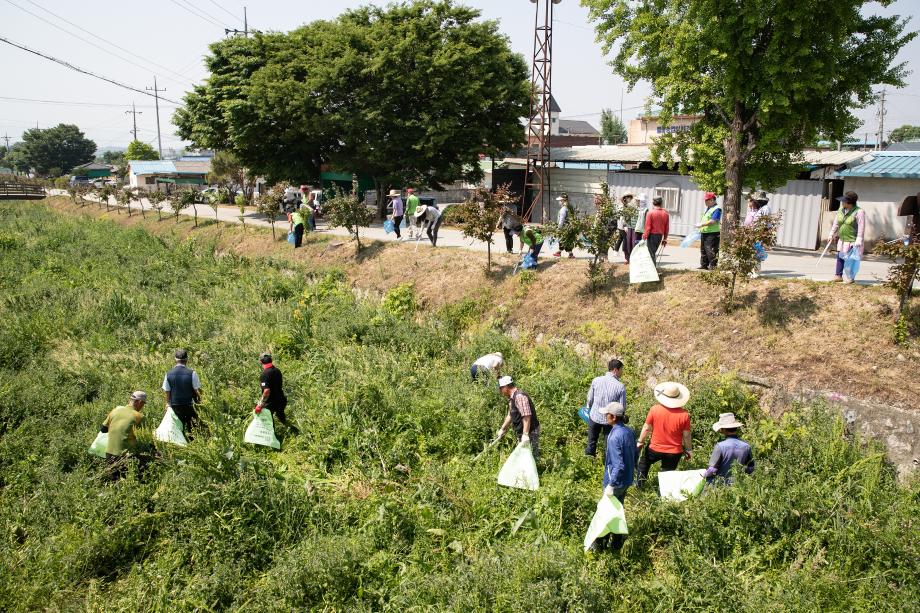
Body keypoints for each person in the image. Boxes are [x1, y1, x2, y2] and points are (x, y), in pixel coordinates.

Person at [594, 401, 637, 552]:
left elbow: (618, 465)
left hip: (616, 482)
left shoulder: (613, 437)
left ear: (612, 417)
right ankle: (617, 543)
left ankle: (600, 545)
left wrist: (611, 485)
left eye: (607, 414)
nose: (605, 416)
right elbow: (634, 454)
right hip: (626, 479)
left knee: (605, 513)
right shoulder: (629, 432)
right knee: (618, 510)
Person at [636, 381, 692, 488]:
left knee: (644, 463)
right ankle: (664, 495)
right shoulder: (684, 415)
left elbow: (646, 428)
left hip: (655, 448)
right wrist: (689, 450)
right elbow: (686, 435)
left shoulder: (654, 409)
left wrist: (640, 442)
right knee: (667, 474)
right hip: (674, 452)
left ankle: (640, 486)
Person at [585, 358, 627, 458]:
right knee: (609, 445)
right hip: (610, 420)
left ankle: (588, 460)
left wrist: (589, 409)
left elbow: (589, 399)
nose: (622, 372)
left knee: (591, 442)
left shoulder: (596, 380)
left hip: (594, 416)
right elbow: (622, 407)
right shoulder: (620, 387)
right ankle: (607, 464)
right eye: (621, 370)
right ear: (615, 370)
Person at [101, 391, 146, 481]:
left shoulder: (115, 410)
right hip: (126, 454)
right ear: (139, 402)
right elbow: (145, 437)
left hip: (109, 453)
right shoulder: (139, 416)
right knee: (129, 480)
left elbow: (103, 430)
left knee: (113, 481)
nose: (142, 406)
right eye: (143, 404)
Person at [495, 376, 541, 460]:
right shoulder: (511, 398)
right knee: (524, 457)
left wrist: (525, 434)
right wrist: (503, 429)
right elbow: (510, 414)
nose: (500, 391)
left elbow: (526, 416)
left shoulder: (519, 396)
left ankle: (538, 471)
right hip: (522, 433)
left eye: (501, 388)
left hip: (530, 432)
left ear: (506, 387)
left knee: (532, 457)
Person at [704, 412, 754, 485]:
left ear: (723, 429)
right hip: (737, 484)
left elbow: (712, 469)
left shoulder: (720, 446)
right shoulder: (746, 446)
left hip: (719, 485)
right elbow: (751, 468)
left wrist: (703, 475)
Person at [828, 191, 865, 283]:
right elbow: (836, 223)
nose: (842, 202)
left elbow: (861, 226)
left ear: (850, 203)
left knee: (850, 259)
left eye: (844, 201)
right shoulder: (841, 210)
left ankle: (850, 278)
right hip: (843, 238)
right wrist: (831, 233)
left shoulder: (859, 212)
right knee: (840, 256)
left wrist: (859, 239)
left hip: (853, 240)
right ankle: (838, 275)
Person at [162, 349, 202, 435]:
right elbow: (197, 390)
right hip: (190, 405)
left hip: (175, 405)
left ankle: (180, 443)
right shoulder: (192, 373)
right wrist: (200, 401)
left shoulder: (168, 374)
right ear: (187, 359)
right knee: (192, 426)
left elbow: (167, 391)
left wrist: (167, 403)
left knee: (178, 427)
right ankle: (192, 443)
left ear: (175, 359)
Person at [256, 352, 298, 434]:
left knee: (268, 422)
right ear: (271, 360)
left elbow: (267, 391)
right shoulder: (277, 370)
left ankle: (272, 440)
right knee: (282, 418)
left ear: (260, 362)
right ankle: (295, 432)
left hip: (271, 403)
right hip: (281, 399)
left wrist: (260, 405)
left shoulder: (265, 374)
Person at [696, 192, 722, 270]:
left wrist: (701, 225)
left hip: (713, 233)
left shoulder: (717, 209)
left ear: (712, 200)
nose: (705, 202)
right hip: (705, 232)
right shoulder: (709, 208)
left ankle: (713, 266)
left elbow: (713, 221)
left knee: (711, 250)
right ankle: (704, 265)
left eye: (707, 200)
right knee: (703, 249)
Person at [642, 196, 670, 263]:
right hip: (660, 236)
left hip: (652, 236)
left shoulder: (650, 213)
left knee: (651, 254)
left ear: (653, 203)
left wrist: (644, 237)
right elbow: (667, 228)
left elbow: (648, 227)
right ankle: (652, 270)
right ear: (661, 203)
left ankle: (653, 271)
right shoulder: (666, 213)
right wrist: (665, 238)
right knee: (653, 253)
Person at [553, 194, 576, 258]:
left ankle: (570, 254)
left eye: (560, 200)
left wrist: (559, 228)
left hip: (564, 227)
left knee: (563, 240)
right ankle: (559, 252)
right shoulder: (570, 207)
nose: (559, 202)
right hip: (569, 227)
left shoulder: (563, 209)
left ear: (563, 201)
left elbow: (562, 219)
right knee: (565, 240)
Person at [618, 192, 637, 263]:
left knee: (629, 243)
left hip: (630, 226)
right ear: (624, 198)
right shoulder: (623, 206)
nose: (628, 198)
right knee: (625, 242)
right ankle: (626, 258)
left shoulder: (632, 206)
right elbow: (622, 217)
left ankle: (630, 257)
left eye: (629, 197)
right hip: (623, 227)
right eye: (627, 197)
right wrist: (624, 225)